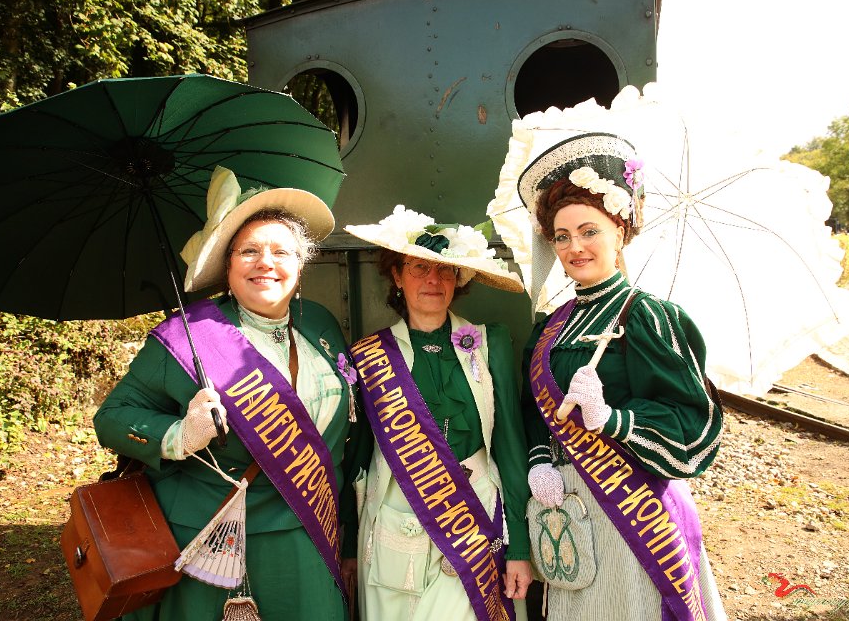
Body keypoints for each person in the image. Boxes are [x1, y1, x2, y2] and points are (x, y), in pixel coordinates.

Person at [94, 167, 355, 620]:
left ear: (301, 263)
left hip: (306, 528)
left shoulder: (320, 323)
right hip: (209, 533)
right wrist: (178, 434)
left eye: (281, 251)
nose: (265, 262)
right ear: (228, 264)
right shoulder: (187, 336)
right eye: (249, 251)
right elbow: (112, 417)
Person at [514, 134, 726, 620]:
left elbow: (692, 422)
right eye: (561, 236)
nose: (574, 247)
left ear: (620, 229)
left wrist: (613, 418)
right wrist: (540, 460)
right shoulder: (550, 327)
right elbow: (533, 409)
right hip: (565, 509)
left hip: (636, 509)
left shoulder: (647, 316)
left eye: (589, 231)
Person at [343, 206, 534, 620]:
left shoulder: (490, 343)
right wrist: (348, 546)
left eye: (445, 269)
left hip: (476, 515)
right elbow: (357, 460)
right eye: (418, 267)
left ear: (458, 279)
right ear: (397, 276)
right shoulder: (368, 355)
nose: (433, 279)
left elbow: (510, 448)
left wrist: (520, 547)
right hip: (395, 521)